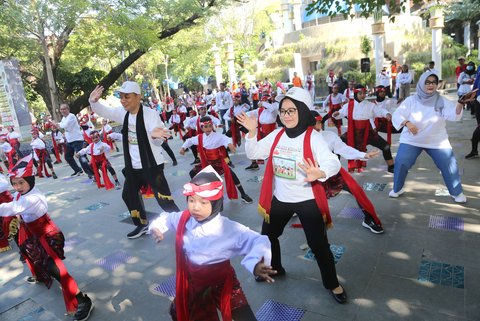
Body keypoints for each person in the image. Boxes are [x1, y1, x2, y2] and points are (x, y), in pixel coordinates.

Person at [237, 87, 348, 304]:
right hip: (280, 199)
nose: (286, 115)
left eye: (292, 110)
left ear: (303, 111)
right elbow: (254, 153)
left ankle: (332, 283)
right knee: (268, 236)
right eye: (283, 111)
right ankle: (276, 267)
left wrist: (321, 172)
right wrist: (251, 133)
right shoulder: (277, 135)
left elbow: (332, 162)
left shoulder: (314, 138)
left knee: (319, 246)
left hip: (307, 201)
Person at [149, 166, 274, 321]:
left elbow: (258, 240)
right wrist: (156, 227)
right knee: (180, 312)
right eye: (191, 200)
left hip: (222, 283)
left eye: (203, 202)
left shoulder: (228, 228)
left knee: (245, 317)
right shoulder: (185, 219)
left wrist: (255, 263)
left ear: (216, 203)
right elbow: (167, 218)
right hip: (194, 283)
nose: (195, 207)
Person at [0, 155, 94, 321]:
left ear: (30, 180)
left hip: (46, 235)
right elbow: (17, 208)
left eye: (21, 182)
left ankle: (83, 300)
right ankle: (41, 276)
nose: (17, 186)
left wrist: (18, 214)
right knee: (26, 251)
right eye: (14, 183)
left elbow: (10, 208)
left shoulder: (33, 198)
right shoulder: (22, 195)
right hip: (31, 233)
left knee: (56, 269)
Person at [89, 81, 180, 239]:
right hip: (132, 166)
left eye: (127, 97)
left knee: (163, 198)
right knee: (128, 194)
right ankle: (141, 224)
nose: (123, 100)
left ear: (138, 97)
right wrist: (93, 102)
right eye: (121, 97)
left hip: (152, 165)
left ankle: (182, 222)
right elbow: (105, 111)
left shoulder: (150, 114)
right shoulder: (122, 113)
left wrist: (155, 136)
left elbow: (159, 136)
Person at [390, 71, 477, 203]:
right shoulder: (411, 100)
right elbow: (398, 114)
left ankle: (456, 192)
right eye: (427, 82)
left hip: (436, 141)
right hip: (412, 139)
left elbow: (453, 115)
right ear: (421, 83)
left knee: (449, 165)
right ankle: (397, 188)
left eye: (433, 82)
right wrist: (407, 123)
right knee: (401, 161)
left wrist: (460, 103)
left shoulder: (442, 101)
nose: (431, 85)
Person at [311, 111, 384, 234]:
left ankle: (369, 218)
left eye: (319, 123)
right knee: (312, 202)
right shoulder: (300, 139)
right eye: (313, 124)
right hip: (314, 173)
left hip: (332, 170)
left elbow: (344, 149)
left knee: (356, 189)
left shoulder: (329, 136)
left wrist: (363, 155)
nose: (317, 127)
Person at [178, 116, 253, 204]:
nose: (208, 128)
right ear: (201, 127)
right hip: (207, 164)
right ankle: (201, 191)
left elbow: (226, 139)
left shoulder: (218, 136)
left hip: (218, 163)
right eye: (206, 127)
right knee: (192, 173)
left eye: (210, 126)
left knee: (231, 175)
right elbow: (189, 141)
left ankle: (243, 194)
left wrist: (229, 144)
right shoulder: (200, 137)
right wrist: (183, 148)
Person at [333, 85, 395, 173]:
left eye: (364, 93)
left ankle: (391, 166)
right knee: (336, 145)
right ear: (355, 94)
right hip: (353, 132)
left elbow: (380, 111)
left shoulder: (370, 105)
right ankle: (334, 170)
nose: (363, 95)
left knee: (385, 146)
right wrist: (336, 114)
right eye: (360, 93)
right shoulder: (348, 105)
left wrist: (387, 114)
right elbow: (340, 113)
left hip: (368, 132)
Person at [50, 104, 91, 177]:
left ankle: (90, 173)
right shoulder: (64, 118)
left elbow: (63, 126)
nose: (62, 111)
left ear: (68, 109)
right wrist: (56, 124)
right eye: (61, 109)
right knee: (68, 157)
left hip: (77, 140)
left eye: (64, 109)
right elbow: (61, 124)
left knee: (81, 157)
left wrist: (55, 124)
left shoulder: (71, 116)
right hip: (70, 141)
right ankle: (78, 170)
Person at [244, 93, 278, 171]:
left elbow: (272, 108)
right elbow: (250, 113)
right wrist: (242, 115)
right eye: (263, 101)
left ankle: (272, 168)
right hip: (262, 132)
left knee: (271, 152)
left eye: (266, 101)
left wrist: (263, 103)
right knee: (255, 144)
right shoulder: (260, 110)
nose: (263, 103)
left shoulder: (273, 109)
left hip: (271, 132)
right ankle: (254, 164)